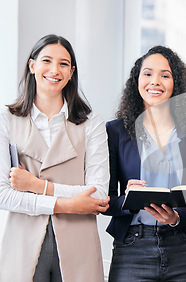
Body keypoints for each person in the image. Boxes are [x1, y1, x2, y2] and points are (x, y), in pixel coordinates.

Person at [0, 34, 110, 282]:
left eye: (63, 64)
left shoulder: (92, 123)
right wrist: (66, 204)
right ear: (32, 66)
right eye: (46, 60)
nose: (54, 70)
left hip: (78, 242)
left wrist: (36, 186)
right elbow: (3, 194)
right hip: (22, 241)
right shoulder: (6, 120)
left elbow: (99, 194)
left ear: (71, 72)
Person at [102, 45, 186, 281]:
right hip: (131, 248)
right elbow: (103, 201)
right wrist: (128, 199)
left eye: (164, 75)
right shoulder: (115, 131)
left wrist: (176, 218)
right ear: (137, 81)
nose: (155, 82)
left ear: (175, 83)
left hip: (181, 249)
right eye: (147, 74)